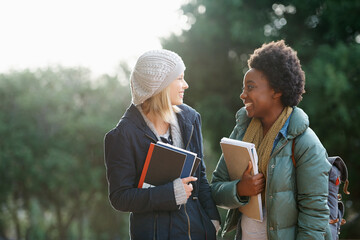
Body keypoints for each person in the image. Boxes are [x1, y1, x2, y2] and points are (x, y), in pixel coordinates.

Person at [211, 40, 332, 239]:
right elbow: (215, 189)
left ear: (276, 90)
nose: (243, 95)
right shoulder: (241, 132)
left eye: (250, 87)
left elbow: (315, 217)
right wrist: (241, 188)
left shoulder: (305, 144)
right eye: (244, 88)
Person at [104, 49, 220, 240]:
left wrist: (212, 222)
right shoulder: (122, 136)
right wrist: (170, 194)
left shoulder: (191, 119)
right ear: (161, 85)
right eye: (179, 78)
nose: (186, 85)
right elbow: (120, 198)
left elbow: (200, 178)